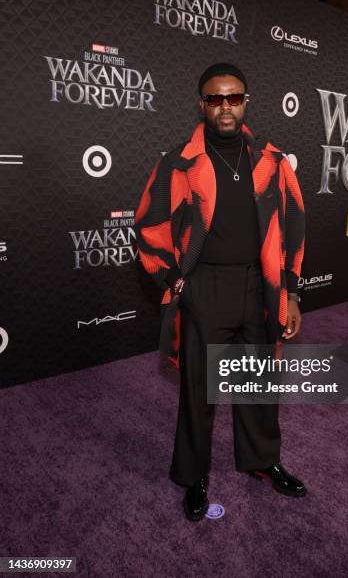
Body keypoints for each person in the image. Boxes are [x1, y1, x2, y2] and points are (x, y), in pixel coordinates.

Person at [134, 63, 307, 521]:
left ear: (246, 101)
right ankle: (195, 476)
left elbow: (293, 226)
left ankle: (261, 461)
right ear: (202, 104)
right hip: (205, 287)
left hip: (260, 286)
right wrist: (175, 281)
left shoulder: (271, 159)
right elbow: (148, 228)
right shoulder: (177, 162)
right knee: (198, 390)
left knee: (259, 384)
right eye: (215, 99)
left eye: (233, 97)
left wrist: (290, 292)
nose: (225, 106)